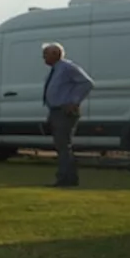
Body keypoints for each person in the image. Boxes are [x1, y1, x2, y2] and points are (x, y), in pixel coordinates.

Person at [42, 42, 94, 187]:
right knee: (61, 145)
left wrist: (74, 101)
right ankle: (68, 178)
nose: (43, 58)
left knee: (63, 145)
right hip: (55, 111)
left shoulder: (67, 68)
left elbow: (87, 83)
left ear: (55, 54)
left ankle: (65, 178)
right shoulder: (56, 70)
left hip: (64, 111)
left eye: (45, 54)